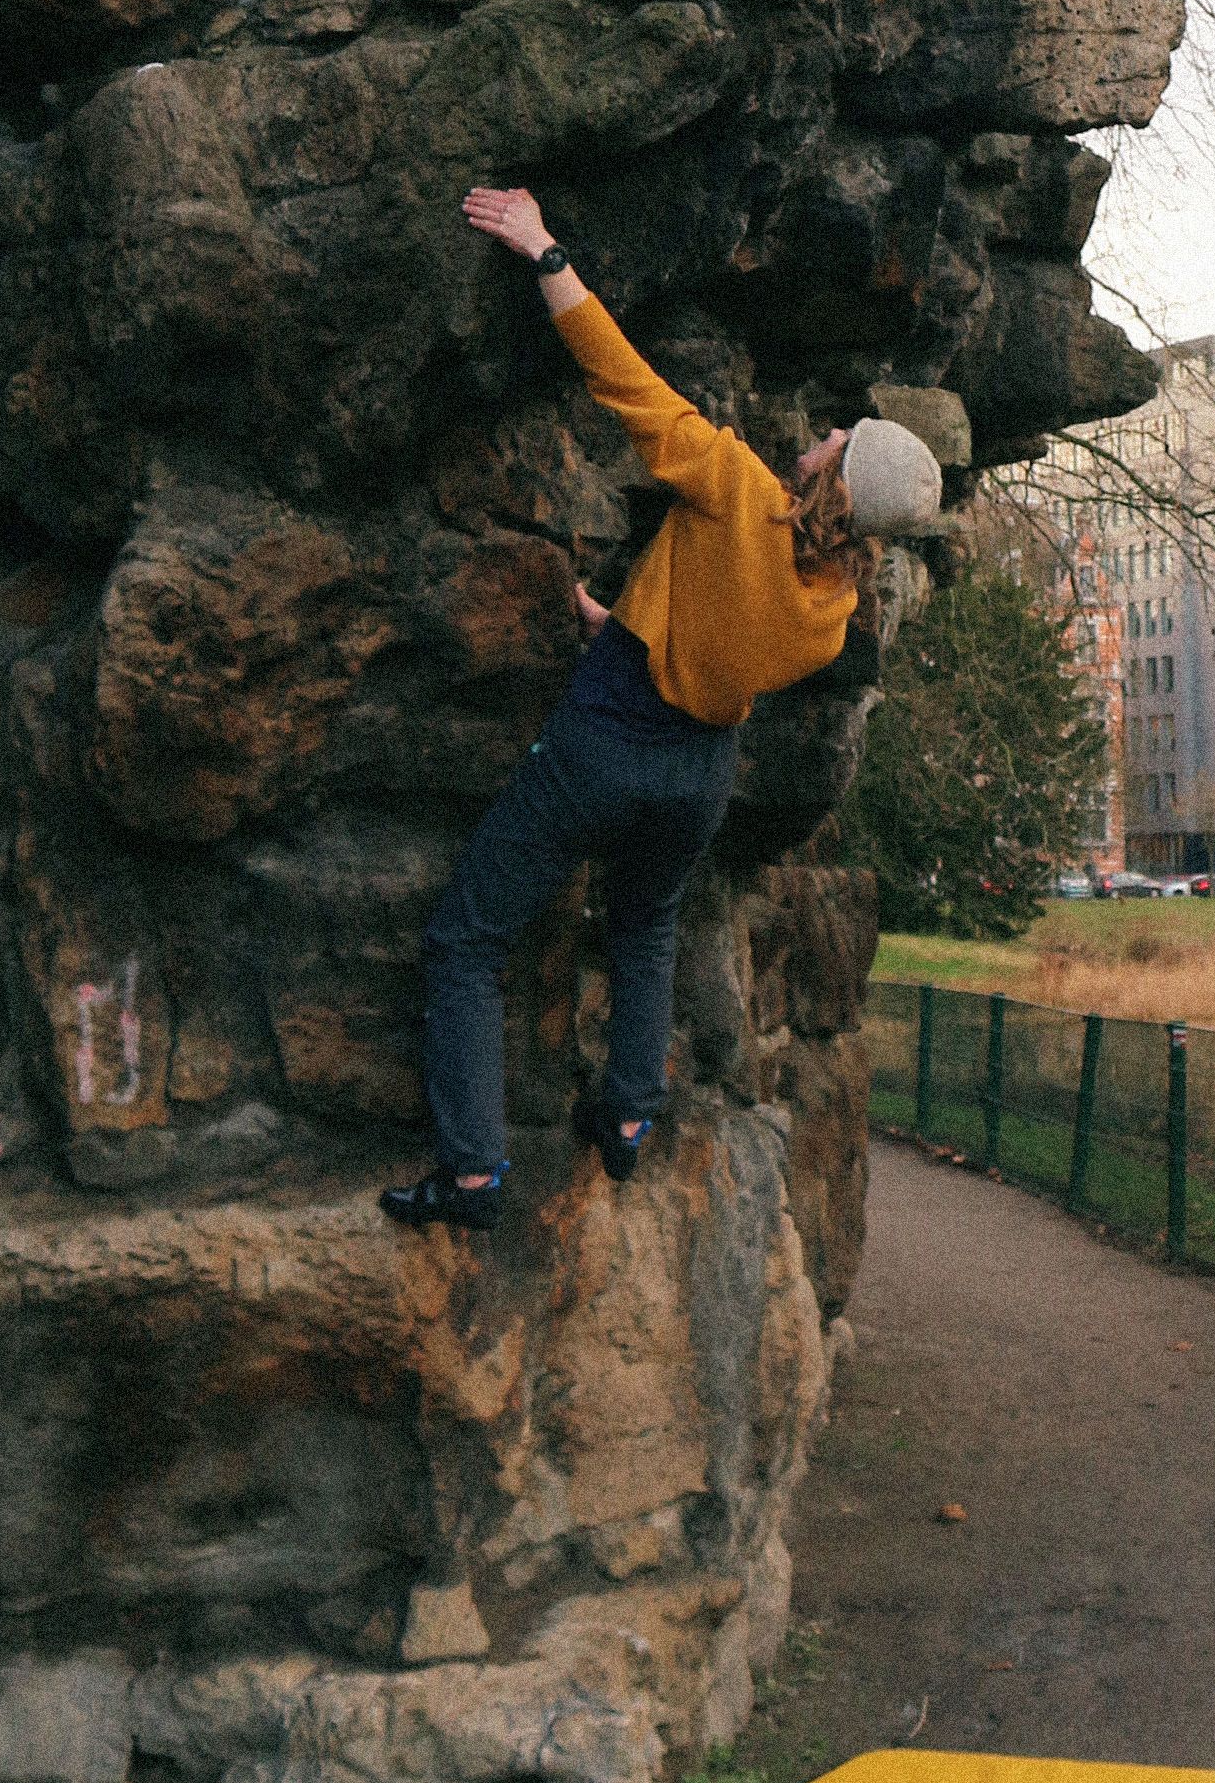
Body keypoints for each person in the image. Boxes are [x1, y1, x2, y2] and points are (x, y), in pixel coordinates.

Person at [383, 188, 947, 1232]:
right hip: (697, 776)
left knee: (467, 939)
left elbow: (625, 384)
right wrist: (631, 619)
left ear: (835, 479)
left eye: (837, 441)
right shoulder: (829, 611)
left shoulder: (736, 486)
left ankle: (470, 1174)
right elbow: (716, 646)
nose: (822, 435)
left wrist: (544, 247)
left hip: (606, 742)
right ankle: (631, 1118)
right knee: (643, 926)